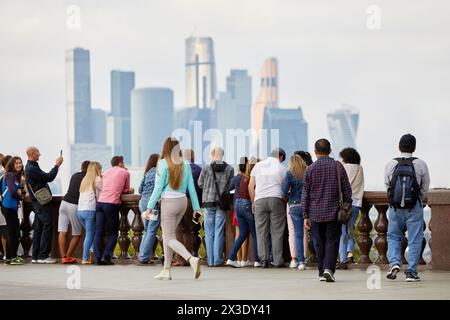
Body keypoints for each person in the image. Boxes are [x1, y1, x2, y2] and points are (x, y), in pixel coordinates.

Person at [146, 137, 201, 280]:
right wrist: (196, 208)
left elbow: (158, 188)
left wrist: (149, 207)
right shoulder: (185, 165)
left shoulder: (163, 163)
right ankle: (166, 269)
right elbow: (192, 189)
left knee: (168, 237)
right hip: (183, 201)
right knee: (168, 236)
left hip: (169, 202)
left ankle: (191, 259)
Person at [302, 139, 352, 282]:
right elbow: (347, 191)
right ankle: (328, 270)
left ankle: (321, 270)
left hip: (315, 213)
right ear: (330, 151)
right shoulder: (338, 167)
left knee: (319, 242)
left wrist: (306, 215)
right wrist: (347, 205)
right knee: (332, 241)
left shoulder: (310, 169)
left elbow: (305, 194)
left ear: (315, 152)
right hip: (334, 212)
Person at [385, 134, 430, 282]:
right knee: (415, 239)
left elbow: (388, 187)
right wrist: (417, 200)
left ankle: (394, 263)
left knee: (393, 237)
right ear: (414, 147)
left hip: (395, 208)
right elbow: (425, 188)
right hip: (414, 207)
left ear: (399, 147)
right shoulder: (421, 164)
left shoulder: (390, 164)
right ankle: (411, 272)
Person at [248, 148, 288, 268]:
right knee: (277, 231)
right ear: (280, 157)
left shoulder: (258, 166)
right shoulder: (282, 168)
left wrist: (253, 202)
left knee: (261, 232)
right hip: (276, 199)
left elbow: (251, 186)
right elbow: (285, 188)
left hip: (259, 199)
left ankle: (264, 260)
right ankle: (277, 261)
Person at [25, 147, 63, 264]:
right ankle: (43, 256)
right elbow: (49, 177)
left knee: (38, 228)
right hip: (41, 202)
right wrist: (57, 165)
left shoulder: (31, 166)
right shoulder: (32, 168)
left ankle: (36, 256)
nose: (39, 154)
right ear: (32, 153)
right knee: (47, 226)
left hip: (37, 202)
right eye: (37, 152)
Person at [198, 146, 234, 267]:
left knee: (209, 232)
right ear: (222, 155)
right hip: (221, 203)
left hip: (208, 202)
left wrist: (209, 188)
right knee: (219, 231)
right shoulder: (229, 168)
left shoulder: (206, 168)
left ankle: (210, 260)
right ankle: (217, 260)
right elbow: (231, 186)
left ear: (213, 155)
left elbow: (200, 183)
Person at [94, 156, 133, 265]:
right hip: (111, 204)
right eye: (123, 162)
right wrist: (130, 190)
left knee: (99, 231)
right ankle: (106, 256)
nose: (124, 164)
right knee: (113, 232)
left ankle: (97, 257)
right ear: (120, 163)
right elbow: (125, 190)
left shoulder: (106, 172)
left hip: (100, 203)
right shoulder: (125, 172)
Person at [227, 157, 261, 268]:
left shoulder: (241, 177)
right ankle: (257, 260)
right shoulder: (253, 177)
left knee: (242, 233)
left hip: (237, 205)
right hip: (247, 204)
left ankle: (231, 258)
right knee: (254, 234)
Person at [173, 148, 203, 266]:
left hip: (177, 200)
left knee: (178, 230)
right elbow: (200, 188)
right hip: (192, 203)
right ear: (193, 157)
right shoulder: (199, 169)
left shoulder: (177, 168)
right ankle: (188, 257)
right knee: (189, 231)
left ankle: (180, 258)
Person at [58, 160, 90, 264]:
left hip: (64, 203)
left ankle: (63, 256)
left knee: (62, 231)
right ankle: (67, 256)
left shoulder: (75, 175)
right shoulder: (87, 178)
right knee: (76, 234)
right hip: (74, 205)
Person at [337, 148, 364, 268]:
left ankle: (343, 258)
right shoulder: (360, 168)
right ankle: (350, 253)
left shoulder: (343, 168)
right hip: (356, 203)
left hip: (345, 204)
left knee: (342, 231)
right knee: (350, 230)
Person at [282, 154, 308, 270]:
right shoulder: (307, 171)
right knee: (310, 233)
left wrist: (288, 195)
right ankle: (318, 258)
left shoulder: (289, 173)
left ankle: (298, 261)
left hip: (294, 205)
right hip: (307, 205)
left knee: (297, 234)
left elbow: (283, 191)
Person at [294, 150, 318, 261]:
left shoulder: (297, 172)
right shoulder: (313, 169)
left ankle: (302, 259)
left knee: (301, 234)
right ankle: (318, 255)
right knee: (314, 233)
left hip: (300, 205)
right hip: (314, 205)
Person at [1, 156, 25, 265]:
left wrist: (21, 186)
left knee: (14, 232)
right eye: (16, 163)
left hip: (11, 207)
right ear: (12, 165)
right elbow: (12, 191)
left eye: (20, 163)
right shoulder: (10, 175)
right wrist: (20, 197)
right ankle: (12, 257)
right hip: (8, 207)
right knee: (13, 233)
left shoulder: (14, 176)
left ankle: (10, 258)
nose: (19, 165)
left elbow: (17, 190)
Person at [137, 153, 160, 265]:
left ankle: (142, 254)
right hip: (153, 202)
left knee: (146, 230)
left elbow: (140, 189)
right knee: (151, 230)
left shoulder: (147, 172)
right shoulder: (159, 171)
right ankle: (144, 257)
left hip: (143, 202)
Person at [78, 162, 103, 264]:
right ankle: (85, 258)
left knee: (91, 233)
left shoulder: (84, 180)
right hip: (89, 210)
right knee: (89, 234)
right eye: (100, 169)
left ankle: (92, 253)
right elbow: (105, 189)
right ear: (97, 169)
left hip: (80, 211)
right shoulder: (97, 179)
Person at [0, 154, 10, 260]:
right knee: (5, 229)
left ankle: (5, 254)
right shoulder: (5, 174)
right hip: (4, 204)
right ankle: (6, 254)